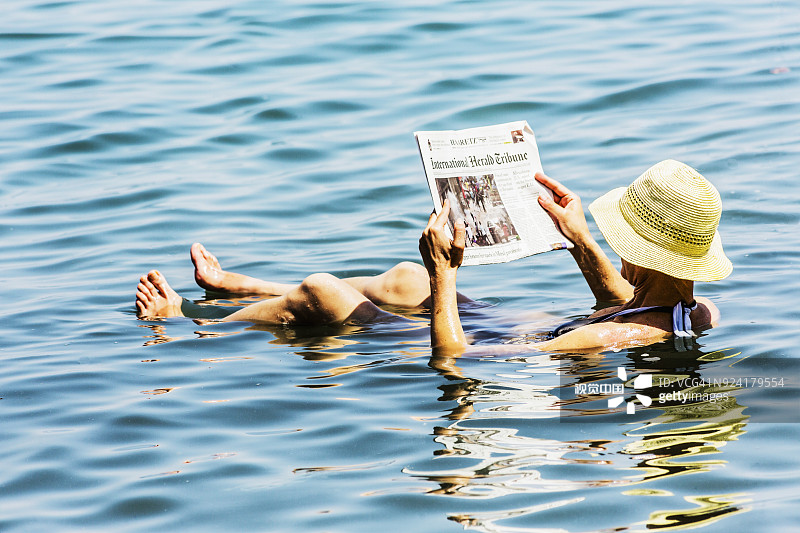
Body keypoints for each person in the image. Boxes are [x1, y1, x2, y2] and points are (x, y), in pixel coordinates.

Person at [135, 160, 731, 353]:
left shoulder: (603, 343)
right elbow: (626, 304)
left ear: (646, 257)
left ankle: (189, 323)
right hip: (518, 325)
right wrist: (579, 238)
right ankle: (240, 288)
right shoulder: (693, 310)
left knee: (323, 292)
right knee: (402, 278)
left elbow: (457, 362)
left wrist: (447, 276)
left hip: (498, 344)